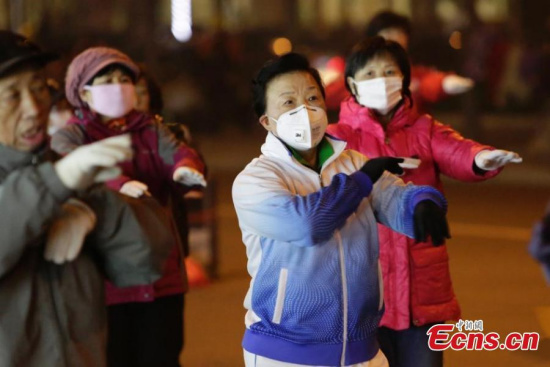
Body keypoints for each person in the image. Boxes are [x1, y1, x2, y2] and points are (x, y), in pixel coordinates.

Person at [233, 52, 453, 367]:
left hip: (363, 350)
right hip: (284, 353)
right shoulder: (256, 179)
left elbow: (394, 196)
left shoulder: (353, 163)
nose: (304, 110)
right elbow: (308, 225)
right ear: (267, 121)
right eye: (288, 103)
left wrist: (423, 202)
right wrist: (360, 182)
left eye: (312, 98)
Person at [326, 37, 522, 367]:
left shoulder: (424, 128)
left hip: (422, 291)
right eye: (371, 72)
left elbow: (457, 150)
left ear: (405, 79)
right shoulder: (337, 137)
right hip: (364, 293)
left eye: (390, 71)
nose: (382, 80)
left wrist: (481, 158)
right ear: (351, 83)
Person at [0, 31, 174, 367]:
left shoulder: (69, 173)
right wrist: (56, 183)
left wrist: (91, 210)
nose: (34, 107)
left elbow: (146, 258)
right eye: (12, 95)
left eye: (38, 88)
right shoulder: (63, 173)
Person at [51, 47, 206, 367]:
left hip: (161, 274)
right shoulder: (72, 135)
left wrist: (185, 168)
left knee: (163, 355)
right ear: (83, 91)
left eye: (125, 79)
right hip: (108, 283)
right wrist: (118, 183)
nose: (119, 86)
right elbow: (74, 165)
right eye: (108, 80)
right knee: (115, 356)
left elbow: (176, 152)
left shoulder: (150, 128)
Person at [325, 11, 474, 115]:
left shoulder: (410, 69)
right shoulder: (354, 68)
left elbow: (426, 81)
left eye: (399, 33)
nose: (394, 38)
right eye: (388, 32)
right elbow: (333, 92)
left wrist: (445, 83)